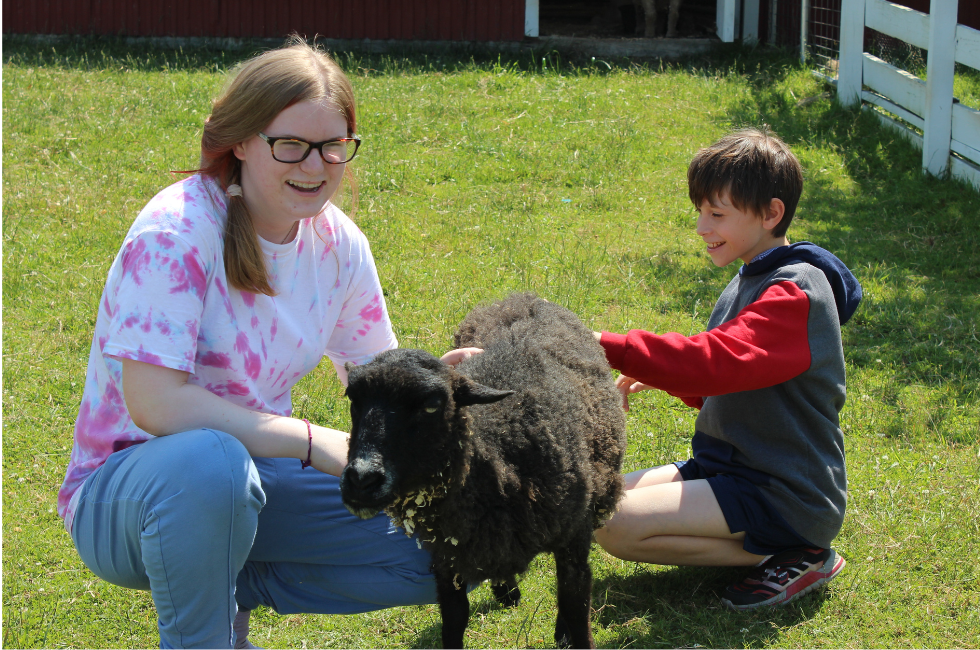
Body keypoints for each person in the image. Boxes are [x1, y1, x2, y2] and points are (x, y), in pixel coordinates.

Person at [58, 37, 478, 648]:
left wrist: (440, 383)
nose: (315, 167)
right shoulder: (174, 232)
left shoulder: (337, 243)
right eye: (291, 145)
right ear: (243, 142)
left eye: (333, 147)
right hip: (126, 496)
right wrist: (310, 441)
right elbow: (155, 404)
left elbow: (378, 376)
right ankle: (208, 635)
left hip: (251, 485)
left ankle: (225, 577)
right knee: (211, 462)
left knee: (452, 545)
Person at [592, 128, 862, 610]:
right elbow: (728, 380)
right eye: (700, 211)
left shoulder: (795, 292)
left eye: (717, 214)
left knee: (611, 520)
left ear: (771, 214)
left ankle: (797, 553)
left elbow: (714, 364)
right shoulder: (751, 274)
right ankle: (766, 548)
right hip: (729, 469)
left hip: (784, 491)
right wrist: (657, 373)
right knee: (593, 501)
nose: (701, 227)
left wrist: (602, 346)